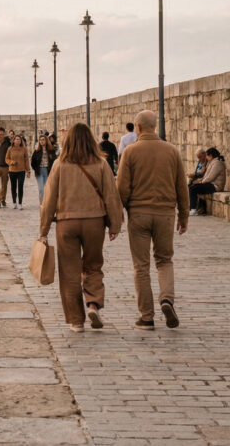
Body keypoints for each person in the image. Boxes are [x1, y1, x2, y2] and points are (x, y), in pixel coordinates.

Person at [40, 122, 124, 333]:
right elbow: (111, 196)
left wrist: (43, 230)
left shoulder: (60, 164)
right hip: (95, 221)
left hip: (66, 223)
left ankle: (77, 321)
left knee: (69, 272)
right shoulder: (101, 164)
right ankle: (93, 304)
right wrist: (115, 224)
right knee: (93, 266)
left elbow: (49, 199)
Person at [116, 110, 189, 330]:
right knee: (164, 260)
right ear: (155, 126)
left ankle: (146, 317)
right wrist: (183, 215)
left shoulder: (130, 152)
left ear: (137, 127)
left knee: (141, 266)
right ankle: (166, 298)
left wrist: (119, 213)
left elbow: (122, 188)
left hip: (138, 214)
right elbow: (181, 187)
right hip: (166, 214)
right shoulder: (172, 151)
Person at [189, 148, 225, 216]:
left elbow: (210, 177)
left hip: (216, 186)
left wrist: (201, 182)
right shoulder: (213, 162)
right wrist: (200, 181)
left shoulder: (217, 163)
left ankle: (193, 209)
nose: (206, 158)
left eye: (207, 156)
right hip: (211, 184)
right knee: (192, 187)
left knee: (194, 188)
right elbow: (206, 176)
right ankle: (193, 208)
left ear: (210, 156)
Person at [6, 135, 31, 209]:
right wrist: (11, 162)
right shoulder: (10, 149)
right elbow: (6, 159)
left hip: (21, 171)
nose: (18, 141)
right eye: (16, 139)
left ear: (21, 141)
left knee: (20, 187)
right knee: (13, 187)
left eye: (19, 139)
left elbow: (26, 160)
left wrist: (28, 170)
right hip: (12, 171)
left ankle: (20, 203)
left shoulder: (24, 149)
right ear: (13, 140)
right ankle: (14, 202)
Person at [31, 134, 57, 204]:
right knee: (41, 189)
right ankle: (42, 204)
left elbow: (55, 161)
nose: (41, 141)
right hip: (39, 171)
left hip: (48, 171)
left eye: (43, 139)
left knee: (47, 189)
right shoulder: (36, 151)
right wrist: (36, 169)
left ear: (46, 140)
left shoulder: (51, 150)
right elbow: (32, 162)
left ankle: (47, 203)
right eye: (40, 140)